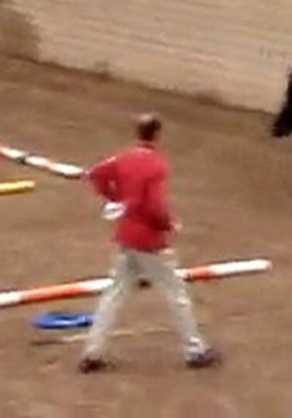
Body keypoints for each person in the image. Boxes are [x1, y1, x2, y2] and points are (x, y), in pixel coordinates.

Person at [78, 113, 220, 373]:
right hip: (150, 240)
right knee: (176, 294)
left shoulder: (123, 158)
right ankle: (195, 349)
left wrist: (118, 198)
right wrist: (168, 224)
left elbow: (96, 174)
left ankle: (93, 352)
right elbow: (155, 206)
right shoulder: (156, 164)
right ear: (157, 134)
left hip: (126, 235)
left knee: (113, 294)